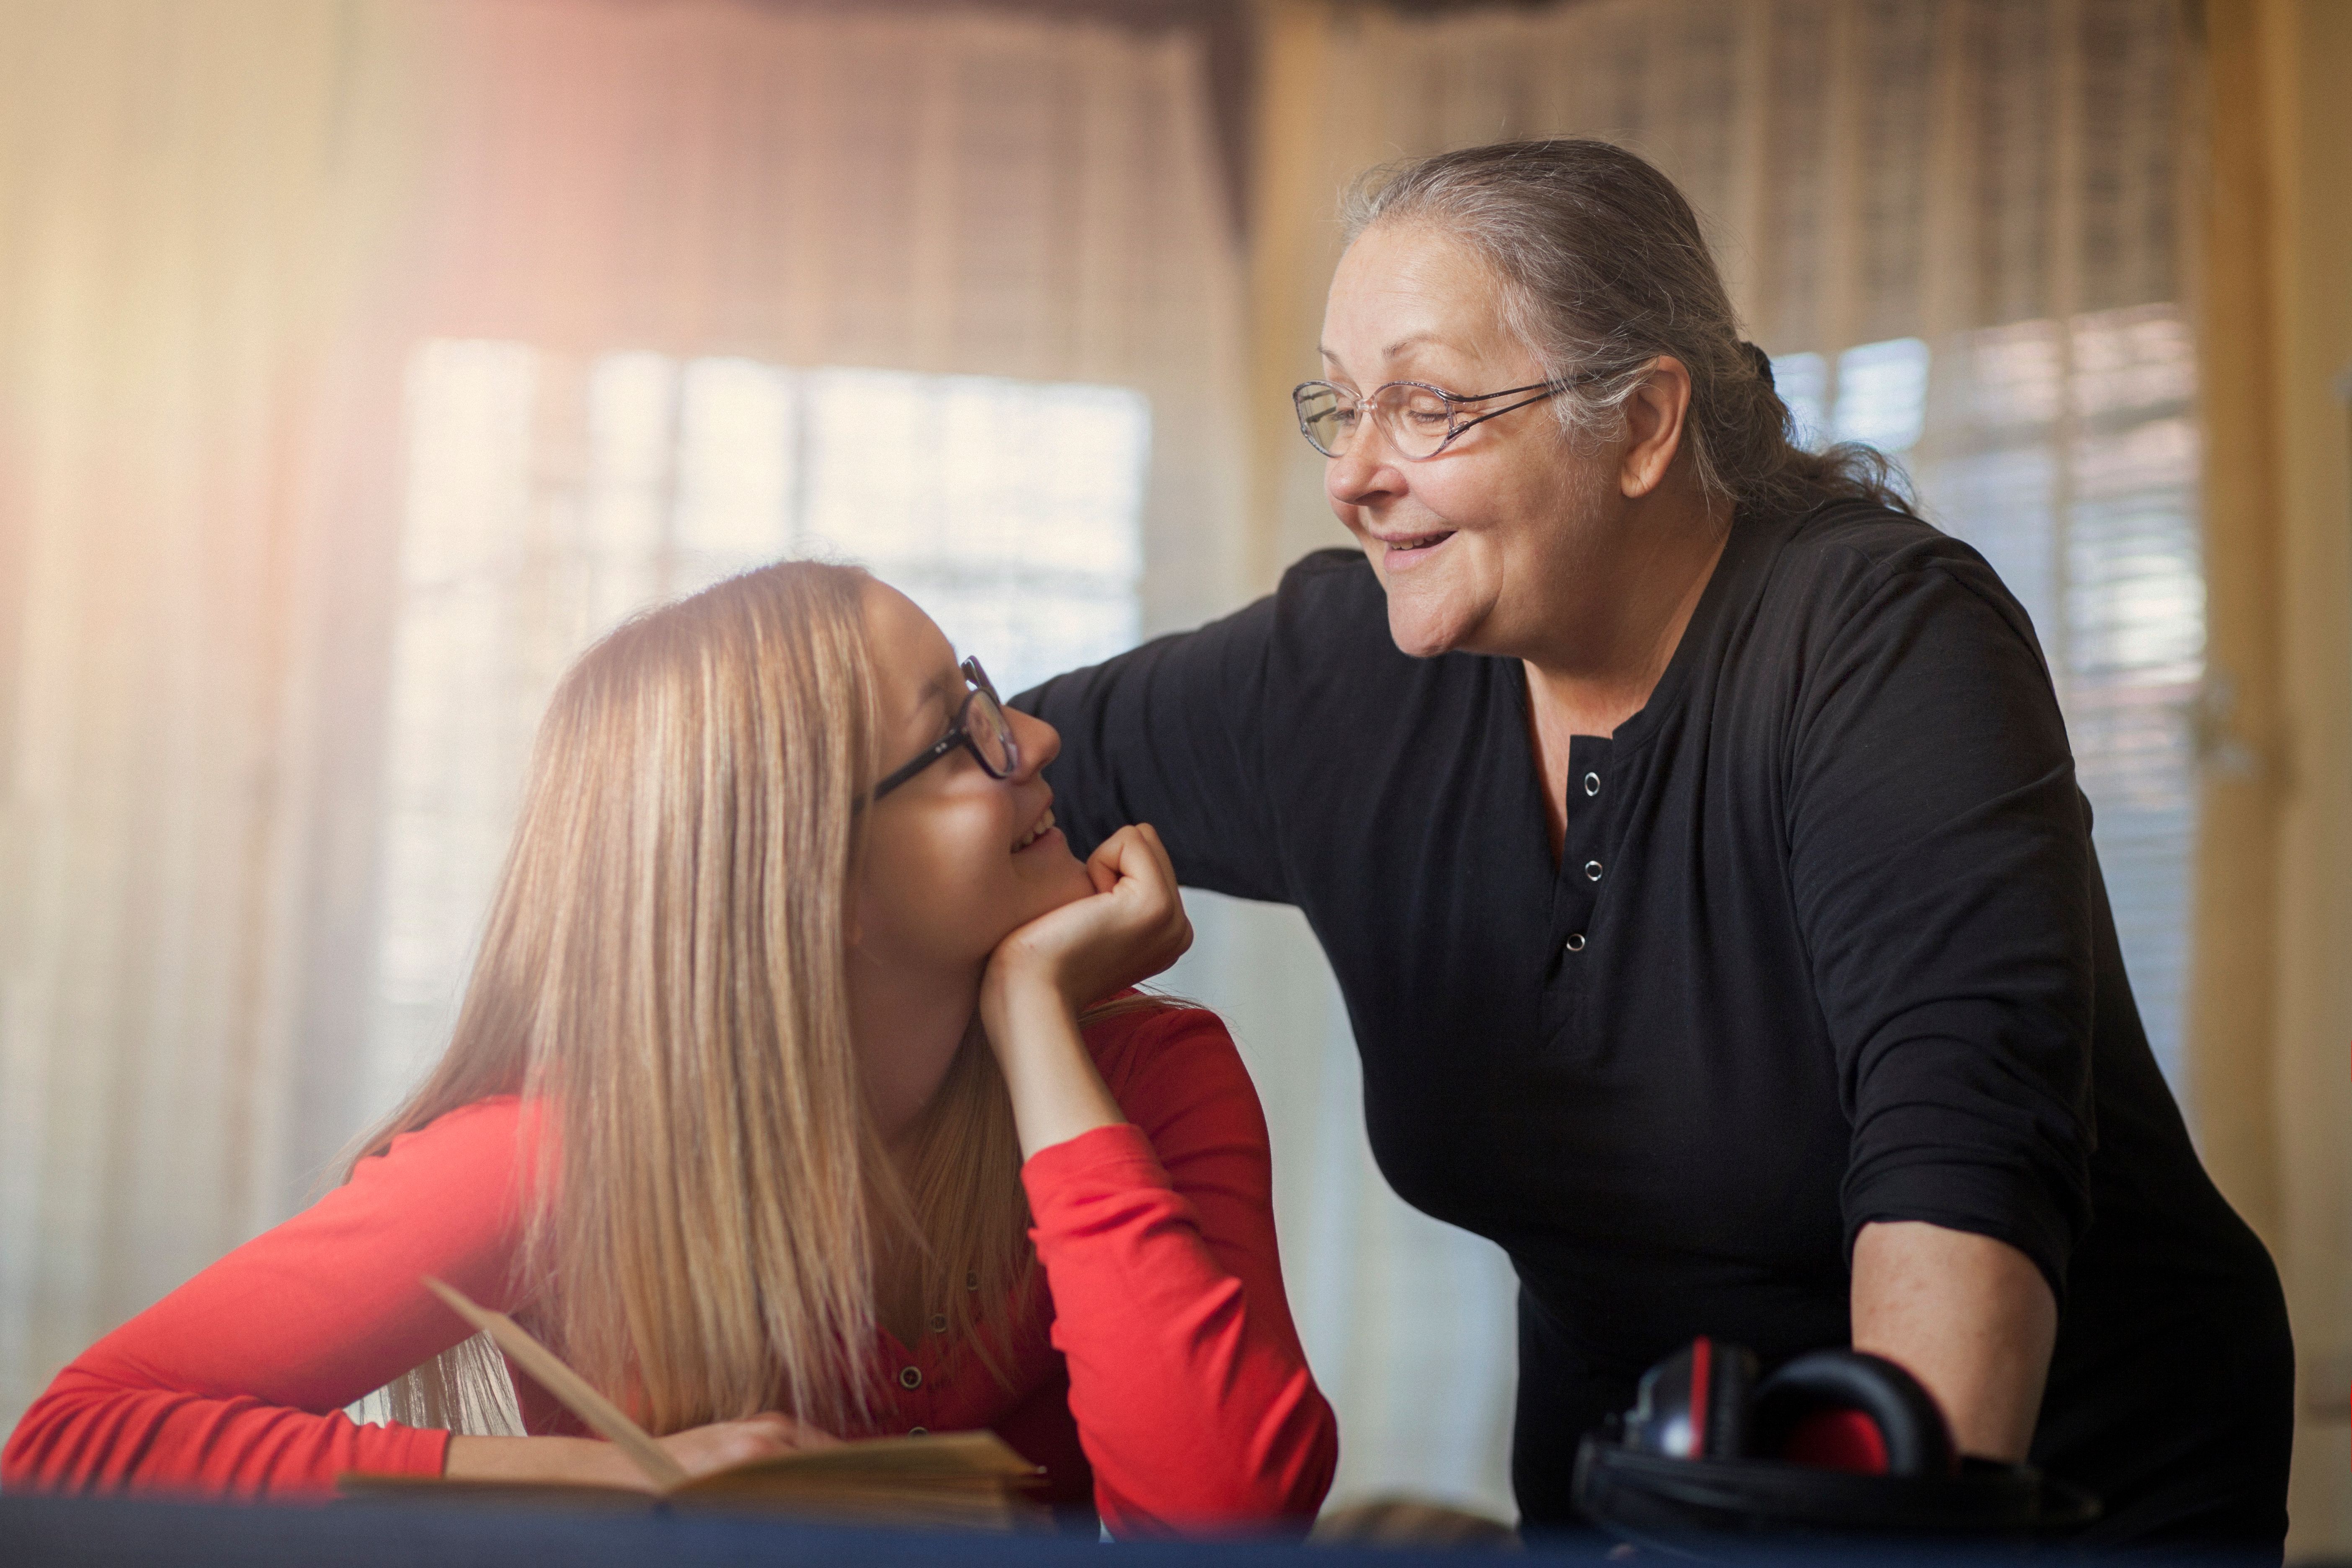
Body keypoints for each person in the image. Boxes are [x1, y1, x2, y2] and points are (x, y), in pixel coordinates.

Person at [1014, 139, 2292, 1551]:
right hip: (1631, 1492)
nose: (1355, 477)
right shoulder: (1344, 679)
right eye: (1342, 405)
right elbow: (980, 789)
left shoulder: (1878, 639)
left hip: (2035, 1496)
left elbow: (1963, 1142)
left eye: (1429, 406)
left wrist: (1902, 1530)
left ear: (1641, 426)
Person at [2, 563, 1338, 1537]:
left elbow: (1222, 1524)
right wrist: (631, 1476)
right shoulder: (568, 1157)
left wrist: (1040, 1020)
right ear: (813, 879)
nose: (1037, 740)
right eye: (959, 735)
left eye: (988, 695)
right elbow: (70, 1446)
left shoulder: (1152, 1081)